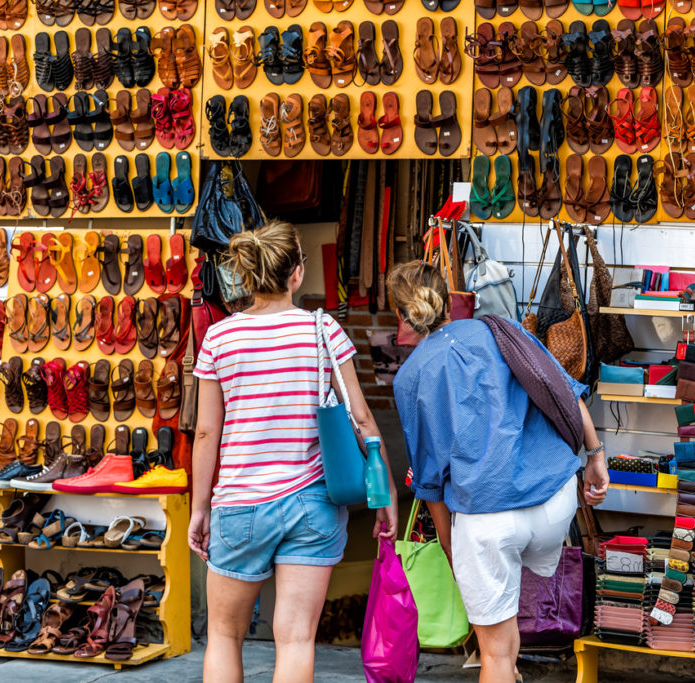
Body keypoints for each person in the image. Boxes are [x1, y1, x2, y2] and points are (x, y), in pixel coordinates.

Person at [188, 220, 397, 683]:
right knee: (297, 638)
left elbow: (206, 433)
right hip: (312, 506)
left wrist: (200, 508)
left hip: (239, 506)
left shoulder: (219, 339)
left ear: (246, 274)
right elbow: (362, 420)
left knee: (224, 635)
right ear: (296, 274)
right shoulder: (323, 331)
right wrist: (384, 499)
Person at [387, 260, 609, 683]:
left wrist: (454, 552)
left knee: (495, 653)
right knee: (507, 625)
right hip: (554, 500)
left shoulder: (410, 377)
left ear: (401, 314)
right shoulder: (500, 329)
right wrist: (596, 457)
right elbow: (563, 389)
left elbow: (430, 483)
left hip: (488, 518)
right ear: (452, 301)